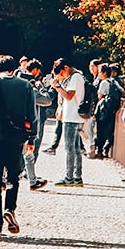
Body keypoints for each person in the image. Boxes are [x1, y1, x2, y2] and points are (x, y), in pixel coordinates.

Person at [0, 55, 38, 234]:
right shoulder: (26, 86)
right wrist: (31, 138)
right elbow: (32, 115)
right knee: (13, 177)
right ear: (14, 69)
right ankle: (9, 209)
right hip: (16, 136)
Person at [49, 58, 85, 187]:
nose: (62, 76)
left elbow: (69, 96)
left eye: (62, 73)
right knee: (75, 149)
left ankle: (69, 177)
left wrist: (57, 87)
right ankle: (77, 177)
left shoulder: (75, 77)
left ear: (66, 67)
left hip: (71, 117)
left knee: (69, 149)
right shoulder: (79, 76)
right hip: (75, 117)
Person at [22, 59, 49, 190]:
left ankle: (5, 178)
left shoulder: (15, 82)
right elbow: (47, 100)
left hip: (13, 122)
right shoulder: (31, 88)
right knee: (30, 150)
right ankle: (31, 178)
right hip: (31, 122)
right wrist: (41, 87)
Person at [93, 64, 122, 159]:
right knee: (109, 131)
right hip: (112, 110)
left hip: (103, 110)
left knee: (100, 131)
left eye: (100, 72)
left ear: (105, 73)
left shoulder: (104, 83)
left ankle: (100, 151)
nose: (99, 75)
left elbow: (99, 97)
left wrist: (94, 110)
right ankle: (106, 150)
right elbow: (123, 92)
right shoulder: (114, 82)